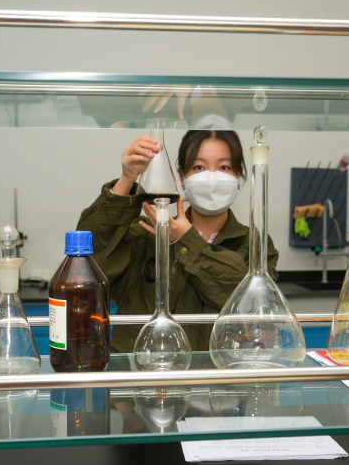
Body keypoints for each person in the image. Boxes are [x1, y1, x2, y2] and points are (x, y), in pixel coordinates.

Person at [76, 129, 279, 353]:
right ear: (181, 176)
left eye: (224, 167)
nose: (211, 177)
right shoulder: (145, 234)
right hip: (142, 369)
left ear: (238, 175)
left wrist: (184, 240)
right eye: (199, 167)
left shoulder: (255, 244)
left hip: (219, 370)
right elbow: (89, 260)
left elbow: (249, 305)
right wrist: (126, 180)